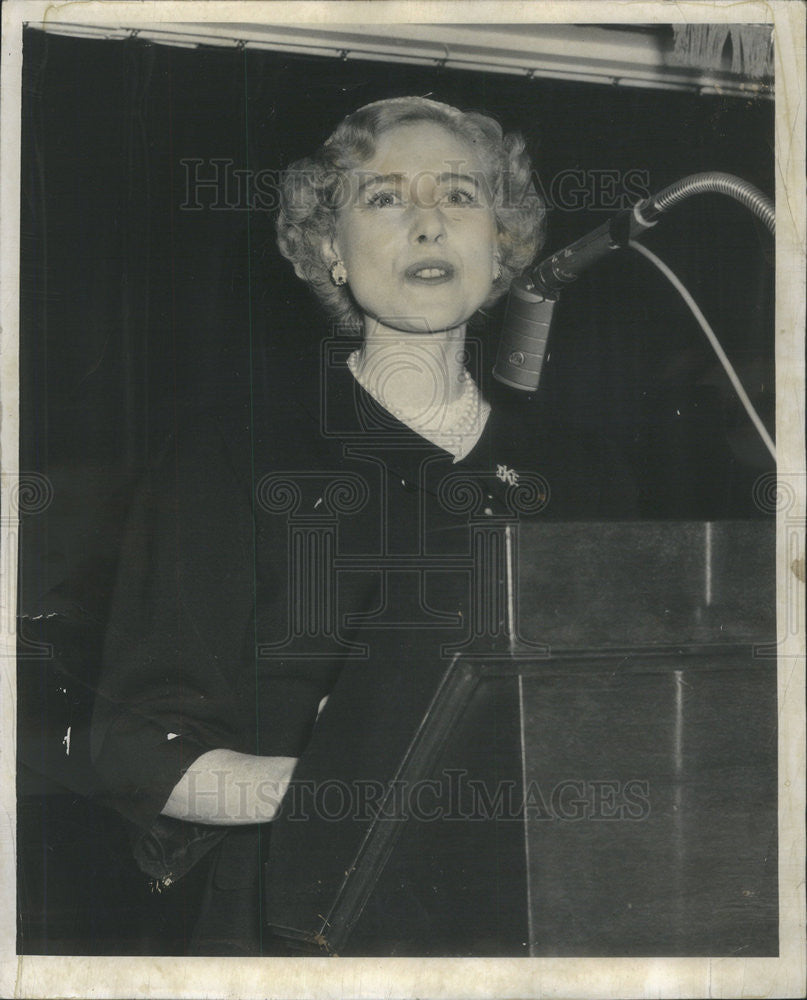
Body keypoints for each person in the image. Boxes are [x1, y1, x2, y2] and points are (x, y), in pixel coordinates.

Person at [92, 96, 625, 956]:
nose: (426, 224)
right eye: (383, 199)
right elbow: (135, 743)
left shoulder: (586, 472)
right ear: (329, 251)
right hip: (294, 918)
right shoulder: (231, 453)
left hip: (533, 910)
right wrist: (339, 789)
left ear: (502, 243)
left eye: (458, 194)